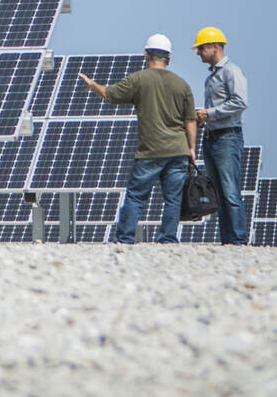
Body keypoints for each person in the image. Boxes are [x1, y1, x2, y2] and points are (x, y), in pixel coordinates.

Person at [79, 34, 196, 243]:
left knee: (135, 197)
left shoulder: (138, 79)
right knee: (173, 199)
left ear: (146, 56)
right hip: (178, 150)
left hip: (150, 151)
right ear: (168, 59)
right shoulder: (182, 85)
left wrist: (93, 84)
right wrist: (192, 148)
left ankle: (125, 239)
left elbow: (109, 94)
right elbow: (190, 121)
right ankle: (168, 239)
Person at [193, 26, 249, 245]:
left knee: (230, 192)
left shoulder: (231, 72)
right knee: (219, 194)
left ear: (214, 47)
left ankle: (238, 240)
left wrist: (210, 113)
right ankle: (227, 239)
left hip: (227, 138)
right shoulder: (210, 79)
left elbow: (241, 102)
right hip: (212, 138)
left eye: (201, 48)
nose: (198, 53)